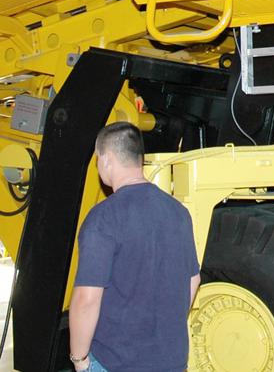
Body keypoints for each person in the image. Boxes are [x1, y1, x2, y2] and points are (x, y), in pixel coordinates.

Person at [69, 122, 200, 372]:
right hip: (171, 361)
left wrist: (79, 359)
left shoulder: (103, 218)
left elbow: (87, 299)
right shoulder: (178, 213)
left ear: (106, 160)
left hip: (118, 363)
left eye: (97, 159)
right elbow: (193, 280)